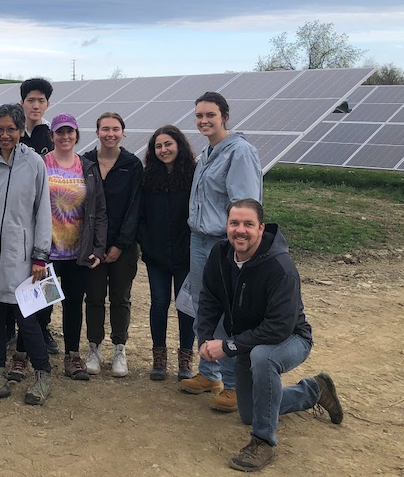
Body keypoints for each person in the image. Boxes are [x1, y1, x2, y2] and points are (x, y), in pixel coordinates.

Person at [197, 199, 343, 472]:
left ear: (261, 229)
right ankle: (314, 390)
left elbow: (279, 327)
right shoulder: (220, 255)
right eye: (234, 223)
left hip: (290, 339)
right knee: (250, 413)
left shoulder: (280, 267)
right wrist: (206, 338)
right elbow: (209, 299)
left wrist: (227, 346)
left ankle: (263, 442)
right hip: (247, 342)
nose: (240, 230)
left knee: (262, 357)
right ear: (226, 226)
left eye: (248, 224)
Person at [180, 92, 262, 413]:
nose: (203, 120)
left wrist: (237, 248)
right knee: (205, 309)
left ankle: (233, 385)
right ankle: (208, 373)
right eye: (199, 115)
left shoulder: (239, 152)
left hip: (224, 244)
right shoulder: (208, 152)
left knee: (229, 312)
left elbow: (244, 205)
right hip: (199, 240)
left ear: (225, 116)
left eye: (210, 115)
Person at [0, 103, 53, 405]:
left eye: (11, 129)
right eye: (0, 129)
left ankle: (43, 374)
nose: (5, 135)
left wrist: (41, 255)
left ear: (20, 131)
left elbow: (43, 211)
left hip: (24, 256)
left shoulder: (33, 163)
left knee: (27, 319)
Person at [31, 113, 107, 381]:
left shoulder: (87, 168)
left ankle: (72, 356)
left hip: (77, 253)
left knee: (74, 304)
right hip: (47, 253)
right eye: (59, 132)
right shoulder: (41, 164)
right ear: (51, 136)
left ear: (76, 135)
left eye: (69, 132)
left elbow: (98, 210)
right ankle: (32, 355)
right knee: (42, 304)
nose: (65, 137)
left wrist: (97, 248)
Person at [81, 112, 142, 377]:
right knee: (94, 298)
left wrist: (119, 245)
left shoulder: (132, 165)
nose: (110, 134)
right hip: (92, 247)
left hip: (123, 248)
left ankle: (119, 348)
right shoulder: (85, 162)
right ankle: (94, 347)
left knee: (121, 298)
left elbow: (135, 208)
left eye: (115, 129)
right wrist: (95, 245)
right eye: (105, 129)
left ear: (123, 132)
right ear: (97, 133)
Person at [138, 125, 196, 381]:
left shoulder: (194, 175)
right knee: (159, 304)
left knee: (186, 307)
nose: (163, 150)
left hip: (186, 256)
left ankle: (185, 357)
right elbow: (140, 216)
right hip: (156, 256)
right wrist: (146, 244)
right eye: (158, 146)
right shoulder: (147, 178)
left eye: (168, 144)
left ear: (179, 145)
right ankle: (159, 356)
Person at [12, 77, 58, 357]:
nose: (36, 105)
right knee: (15, 275)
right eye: (31, 100)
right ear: (22, 103)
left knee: (45, 276)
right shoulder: (14, 133)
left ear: (48, 104)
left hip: (47, 217)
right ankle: (14, 330)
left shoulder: (52, 136)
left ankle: (44, 325)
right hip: (17, 217)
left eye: (41, 100)